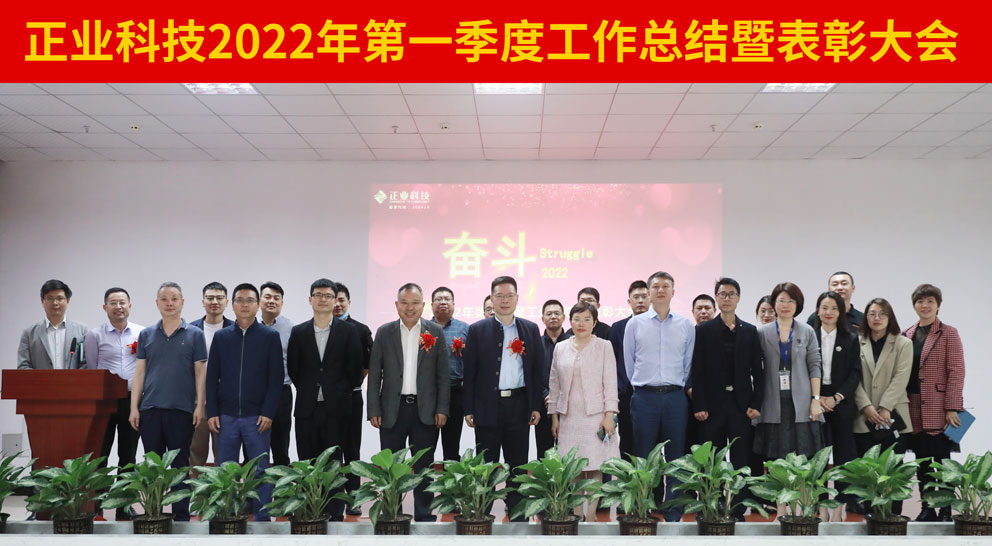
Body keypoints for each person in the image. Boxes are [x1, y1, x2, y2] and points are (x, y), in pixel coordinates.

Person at [463, 276, 546, 521]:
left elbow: (537, 371)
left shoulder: (530, 329)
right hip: (488, 406)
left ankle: (518, 516)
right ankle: (482, 515)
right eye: (499, 296)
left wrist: (535, 406)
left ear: (517, 298)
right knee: (487, 465)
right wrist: (469, 408)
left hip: (519, 405)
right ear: (492, 299)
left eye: (509, 296)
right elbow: (470, 372)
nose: (505, 300)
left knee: (517, 464)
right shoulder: (477, 330)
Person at [367, 283, 449, 522]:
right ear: (396, 305)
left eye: (415, 303)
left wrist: (442, 408)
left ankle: (424, 514)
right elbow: (375, 374)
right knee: (392, 465)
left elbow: (443, 375)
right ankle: (393, 513)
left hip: (426, 410)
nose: (409, 308)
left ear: (423, 305)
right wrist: (374, 408)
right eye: (404, 303)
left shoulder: (435, 331)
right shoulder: (384, 332)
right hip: (392, 409)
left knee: (424, 465)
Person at [286, 278, 364, 521]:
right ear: (310, 300)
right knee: (308, 459)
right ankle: (311, 509)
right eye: (318, 295)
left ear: (335, 300)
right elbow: (294, 369)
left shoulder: (349, 332)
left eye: (328, 295)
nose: (323, 299)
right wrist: (311, 389)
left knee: (333, 463)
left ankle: (334, 513)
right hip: (307, 408)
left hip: (337, 409)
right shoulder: (299, 332)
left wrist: (336, 391)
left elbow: (355, 370)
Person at [129, 282, 207, 521]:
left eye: (174, 298)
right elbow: (139, 372)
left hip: (182, 410)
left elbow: (200, 372)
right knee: (153, 465)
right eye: (164, 299)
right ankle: (153, 513)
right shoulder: (146, 334)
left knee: (180, 466)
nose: (169, 303)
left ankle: (181, 515)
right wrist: (134, 408)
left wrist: (199, 405)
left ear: (182, 302)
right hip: (150, 409)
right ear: (157, 303)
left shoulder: (195, 334)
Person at [206, 283, 283, 522]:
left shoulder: (270, 337)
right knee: (226, 470)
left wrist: (268, 412)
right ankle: (228, 517)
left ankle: (262, 518)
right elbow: (212, 377)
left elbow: (276, 378)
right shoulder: (221, 337)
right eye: (240, 300)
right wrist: (212, 412)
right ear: (232, 304)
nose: (244, 305)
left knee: (259, 470)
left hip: (257, 417)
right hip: (226, 417)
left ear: (257, 305)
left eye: (250, 300)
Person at [688, 278, 762, 522]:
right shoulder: (703, 331)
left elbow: (758, 371)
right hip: (712, 407)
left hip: (741, 406)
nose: (727, 298)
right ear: (716, 299)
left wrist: (756, 403)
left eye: (731, 294)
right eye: (722, 294)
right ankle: (711, 507)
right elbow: (697, 370)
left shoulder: (749, 331)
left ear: (738, 298)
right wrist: (699, 404)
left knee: (740, 460)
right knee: (712, 459)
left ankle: (737, 509)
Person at [623, 271, 695, 522]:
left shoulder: (685, 325)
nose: (661, 290)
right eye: (656, 286)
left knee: (676, 456)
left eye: (666, 286)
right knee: (643, 455)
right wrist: (644, 386)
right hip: (645, 398)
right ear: (649, 292)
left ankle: (672, 511)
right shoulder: (635, 324)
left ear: (673, 292)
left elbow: (687, 363)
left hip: (675, 398)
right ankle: (642, 509)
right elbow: (629, 363)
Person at [753, 282, 824, 514]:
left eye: (790, 301)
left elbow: (815, 366)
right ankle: (781, 510)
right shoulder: (762, 332)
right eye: (781, 300)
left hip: (802, 404)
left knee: (804, 459)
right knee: (776, 460)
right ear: (774, 304)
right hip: (772, 403)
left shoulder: (807, 331)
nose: (785, 305)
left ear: (798, 304)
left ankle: (804, 510)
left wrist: (815, 399)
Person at [549, 302, 619, 522]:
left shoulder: (604, 346)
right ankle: (577, 513)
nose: (581, 324)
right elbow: (554, 384)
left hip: (595, 416)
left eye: (587, 319)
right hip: (569, 416)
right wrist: (554, 417)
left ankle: (590, 515)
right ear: (570, 321)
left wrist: (609, 415)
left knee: (595, 466)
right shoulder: (561, 347)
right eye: (577, 319)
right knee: (574, 467)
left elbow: (611, 382)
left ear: (595, 322)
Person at [902, 284, 965, 522]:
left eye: (930, 301)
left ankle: (946, 509)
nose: (925, 305)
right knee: (921, 460)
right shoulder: (906, 333)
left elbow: (956, 371)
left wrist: (952, 407)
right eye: (920, 301)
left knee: (942, 459)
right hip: (913, 404)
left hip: (940, 407)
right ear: (914, 305)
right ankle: (927, 508)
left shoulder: (949, 332)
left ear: (938, 305)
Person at [84, 287, 143, 521]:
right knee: (101, 455)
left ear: (130, 306)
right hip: (104, 402)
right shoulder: (94, 335)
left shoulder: (142, 333)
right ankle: (97, 505)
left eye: (122, 302)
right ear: (105, 307)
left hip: (132, 400)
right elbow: (91, 369)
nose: (118, 307)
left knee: (128, 456)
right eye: (113, 303)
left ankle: (124, 505)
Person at [854, 297, 911, 516]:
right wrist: (866, 406)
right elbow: (852, 377)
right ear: (865, 317)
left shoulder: (903, 343)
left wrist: (885, 406)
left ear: (890, 317)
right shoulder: (856, 342)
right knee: (868, 469)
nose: (877, 318)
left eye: (882, 314)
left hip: (893, 415)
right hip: (864, 416)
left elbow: (901, 377)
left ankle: (893, 515)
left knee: (893, 469)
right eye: (872, 314)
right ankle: (871, 514)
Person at [809, 290, 861, 521]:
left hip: (841, 404)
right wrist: (817, 397)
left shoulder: (851, 338)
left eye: (834, 308)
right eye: (824, 308)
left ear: (840, 312)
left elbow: (855, 373)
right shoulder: (809, 336)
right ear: (817, 311)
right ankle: (820, 507)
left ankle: (839, 508)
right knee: (818, 458)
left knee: (843, 458)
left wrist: (836, 397)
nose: (828, 312)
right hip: (815, 402)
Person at [332, 282, 374, 515]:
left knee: (352, 450)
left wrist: (351, 384)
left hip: (352, 398)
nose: (337, 305)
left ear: (348, 302)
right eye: (334, 300)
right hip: (327, 400)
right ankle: (334, 500)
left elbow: (368, 365)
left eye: (342, 300)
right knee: (332, 451)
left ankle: (354, 498)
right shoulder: (321, 328)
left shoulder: (361, 330)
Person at [189, 282, 233, 473]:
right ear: (203, 301)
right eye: (210, 298)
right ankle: (195, 493)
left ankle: (223, 494)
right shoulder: (190, 329)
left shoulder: (236, 329)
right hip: (196, 402)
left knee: (224, 457)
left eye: (219, 298)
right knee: (194, 455)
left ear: (227, 301)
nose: (214, 301)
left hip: (225, 404)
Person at [608, 280, 648, 470]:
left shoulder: (660, 326)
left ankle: (653, 487)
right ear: (629, 301)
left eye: (644, 296)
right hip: (626, 395)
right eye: (636, 297)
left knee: (652, 442)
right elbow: (612, 362)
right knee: (627, 442)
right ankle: (627, 484)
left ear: (650, 298)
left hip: (652, 394)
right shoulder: (618, 327)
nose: (640, 301)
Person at [431, 286, 470, 463]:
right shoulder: (423, 328)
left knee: (452, 446)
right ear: (431, 305)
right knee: (426, 445)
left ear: (454, 304)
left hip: (456, 392)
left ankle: (451, 480)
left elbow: (473, 360)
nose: (443, 302)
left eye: (447, 299)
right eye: (439, 299)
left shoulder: (465, 329)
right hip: (429, 394)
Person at [258, 281, 294, 467]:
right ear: (259, 300)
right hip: (255, 393)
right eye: (267, 297)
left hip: (282, 393)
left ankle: (282, 484)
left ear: (282, 302)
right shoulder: (248, 326)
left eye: (276, 298)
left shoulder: (292, 329)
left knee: (280, 445)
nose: (271, 301)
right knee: (254, 446)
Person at [18, 279, 88, 370]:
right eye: (50, 298)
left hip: (73, 379)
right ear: (42, 301)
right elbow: (23, 366)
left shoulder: (82, 331)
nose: (55, 303)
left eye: (60, 298)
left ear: (67, 301)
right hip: (40, 380)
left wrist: (72, 378)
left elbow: (85, 363)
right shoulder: (29, 333)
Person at [538, 299, 567, 458]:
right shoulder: (536, 344)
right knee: (545, 455)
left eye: (557, 313)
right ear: (543, 319)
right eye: (549, 314)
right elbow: (533, 374)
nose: (553, 317)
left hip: (569, 406)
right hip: (544, 405)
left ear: (564, 317)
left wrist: (559, 396)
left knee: (569, 455)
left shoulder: (573, 342)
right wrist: (546, 395)